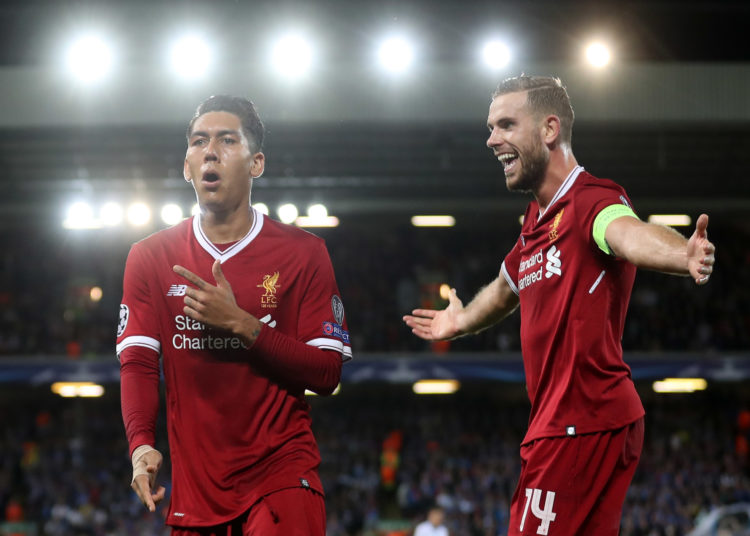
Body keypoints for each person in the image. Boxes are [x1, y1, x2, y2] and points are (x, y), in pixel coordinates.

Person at [403, 75, 715, 536]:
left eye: (506, 125)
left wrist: (680, 254)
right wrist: (462, 319)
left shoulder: (591, 201)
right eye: (490, 128)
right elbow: (506, 287)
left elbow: (627, 233)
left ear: (549, 129)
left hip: (578, 423)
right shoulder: (536, 221)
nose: (491, 139)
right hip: (578, 423)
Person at [117, 95, 352, 535]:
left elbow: (327, 372)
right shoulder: (149, 257)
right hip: (195, 498)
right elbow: (139, 364)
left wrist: (243, 325)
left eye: (227, 140)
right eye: (198, 142)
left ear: (256, 163)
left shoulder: (304, 253)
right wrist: (141, 444)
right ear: (187, 166)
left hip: (281, 481)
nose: (210, 151)